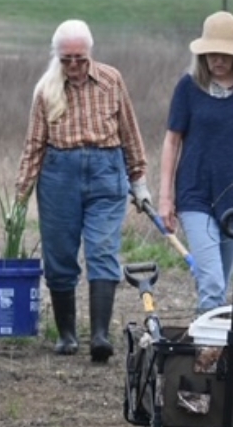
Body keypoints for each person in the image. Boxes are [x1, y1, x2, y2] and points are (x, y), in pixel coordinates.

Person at [15, 19, 150, 362]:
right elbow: (34, 145)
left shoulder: (111, 80)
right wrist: (20, 195)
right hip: (59, 175)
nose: (73, 66)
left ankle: (101, 336)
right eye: (66, 59)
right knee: (59, 255)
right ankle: (67, 335)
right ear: (56, 57)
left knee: (103, 250)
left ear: (90, 53)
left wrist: (139, 180)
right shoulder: (45, 90)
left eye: (79, 58)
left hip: (107, 172)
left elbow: (129, 130)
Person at [157, 11, 233, 313]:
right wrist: (165, 197)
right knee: (212, 282)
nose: (217, 60)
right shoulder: (188, 88)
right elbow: (172, 142)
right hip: (195, 193)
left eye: (224, 54)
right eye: (211, 53)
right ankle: (207, 355)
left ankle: (209, 349)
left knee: (219, 283)